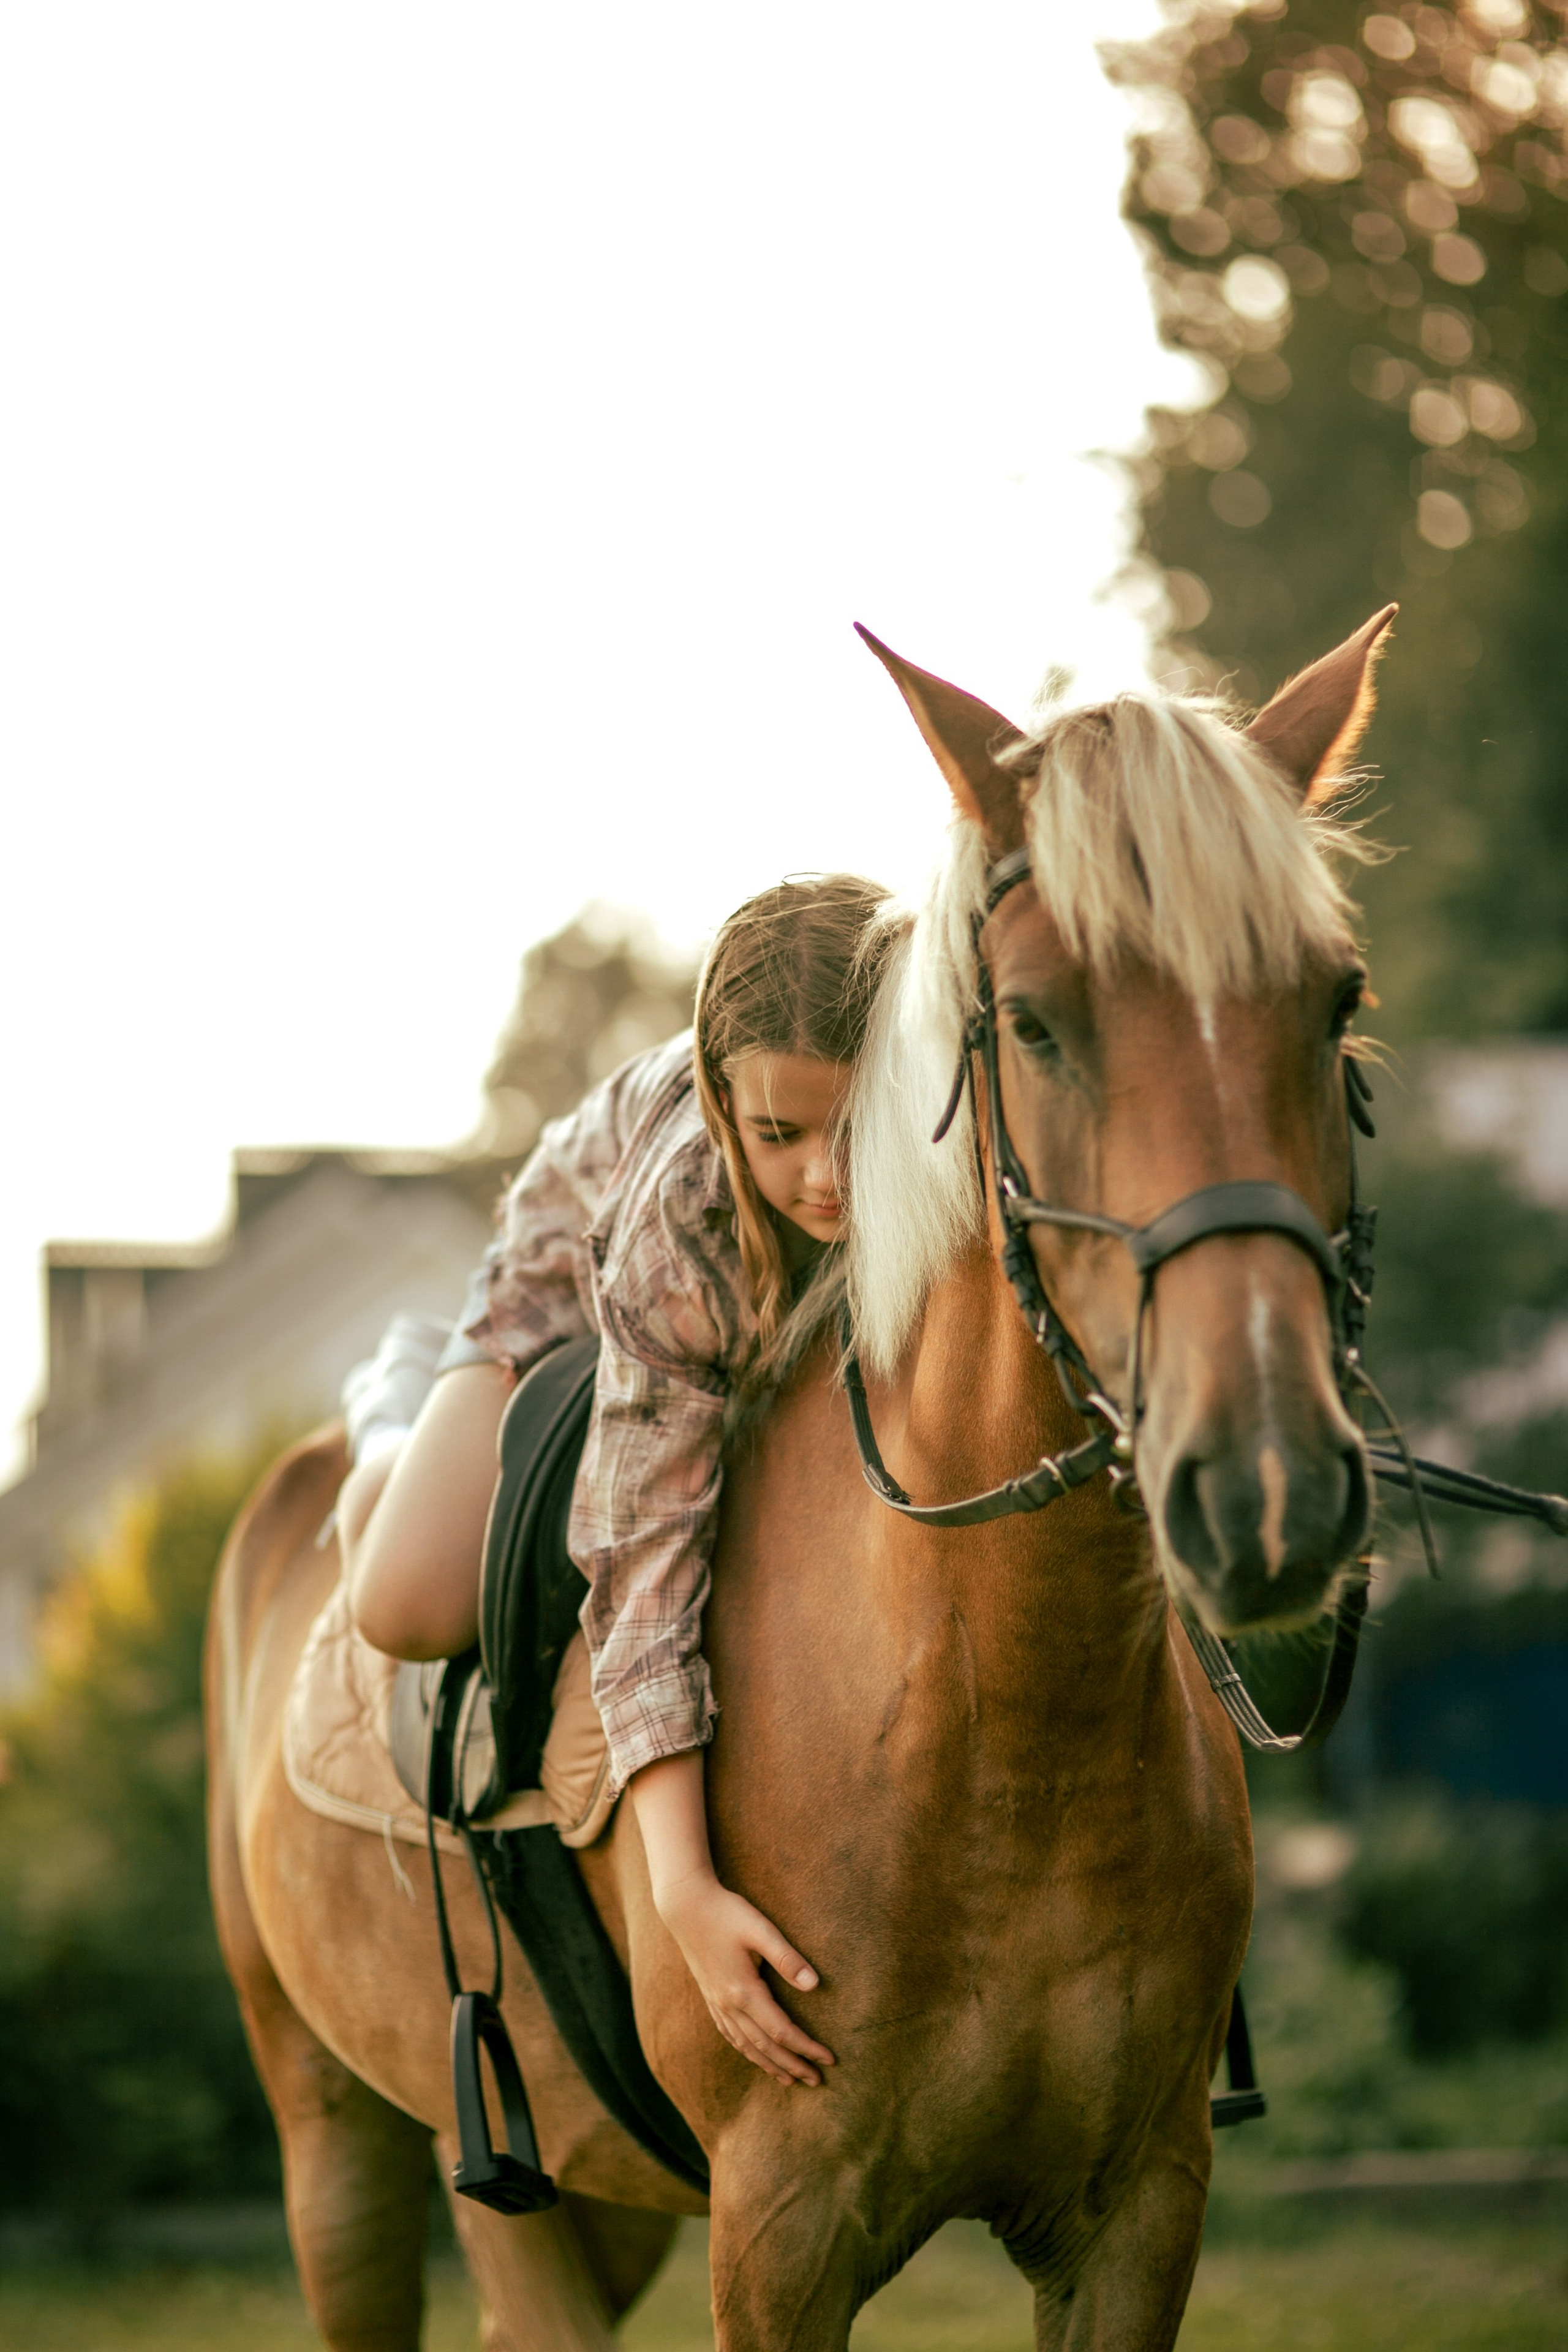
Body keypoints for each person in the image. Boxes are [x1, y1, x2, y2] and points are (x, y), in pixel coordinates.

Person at [339, 874, 895, 2089]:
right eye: (780, 1135)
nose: (826, 1178)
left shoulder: (948, 1126)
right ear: (719, 1099)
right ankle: (393, 1406)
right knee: (405, 1604)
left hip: (775, 1312)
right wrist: (682, 1886)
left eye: (858, 1127)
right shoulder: (684, 1208)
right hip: (570, 1285)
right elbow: (640, 1556)